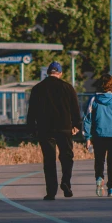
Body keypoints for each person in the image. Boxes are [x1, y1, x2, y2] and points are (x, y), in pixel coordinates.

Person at [27, 61, 82, 200]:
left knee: (49, 160)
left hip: (45, 129)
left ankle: (51, 191)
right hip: (64, 128)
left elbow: (31, 111)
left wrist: (31, 128)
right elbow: (75, 109)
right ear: (60, 73)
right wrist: (76, 125)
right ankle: (66, 183)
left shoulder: (38, 88)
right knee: (67, 157)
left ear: (47, 72)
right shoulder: (68, 88)